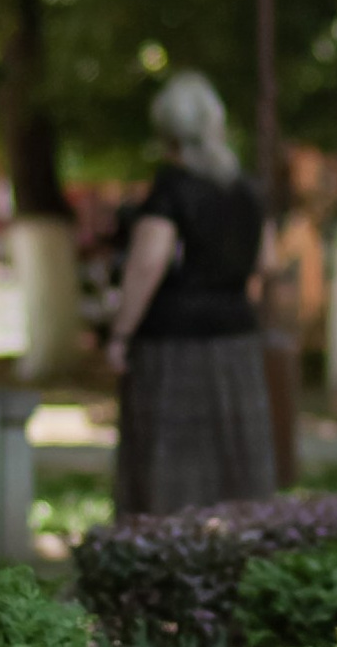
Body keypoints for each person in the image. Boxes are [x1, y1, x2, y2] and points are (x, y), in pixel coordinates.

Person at [105, 71, 273, 516]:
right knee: (236, 465)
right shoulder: (246, 189)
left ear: (166, 133)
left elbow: (148, 263)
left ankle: (165, 545)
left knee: (171, 465)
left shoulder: (171, 188)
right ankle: (240, 540)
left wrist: (120, 334)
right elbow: (265, 260)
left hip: (173, 344)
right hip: (237, 339)